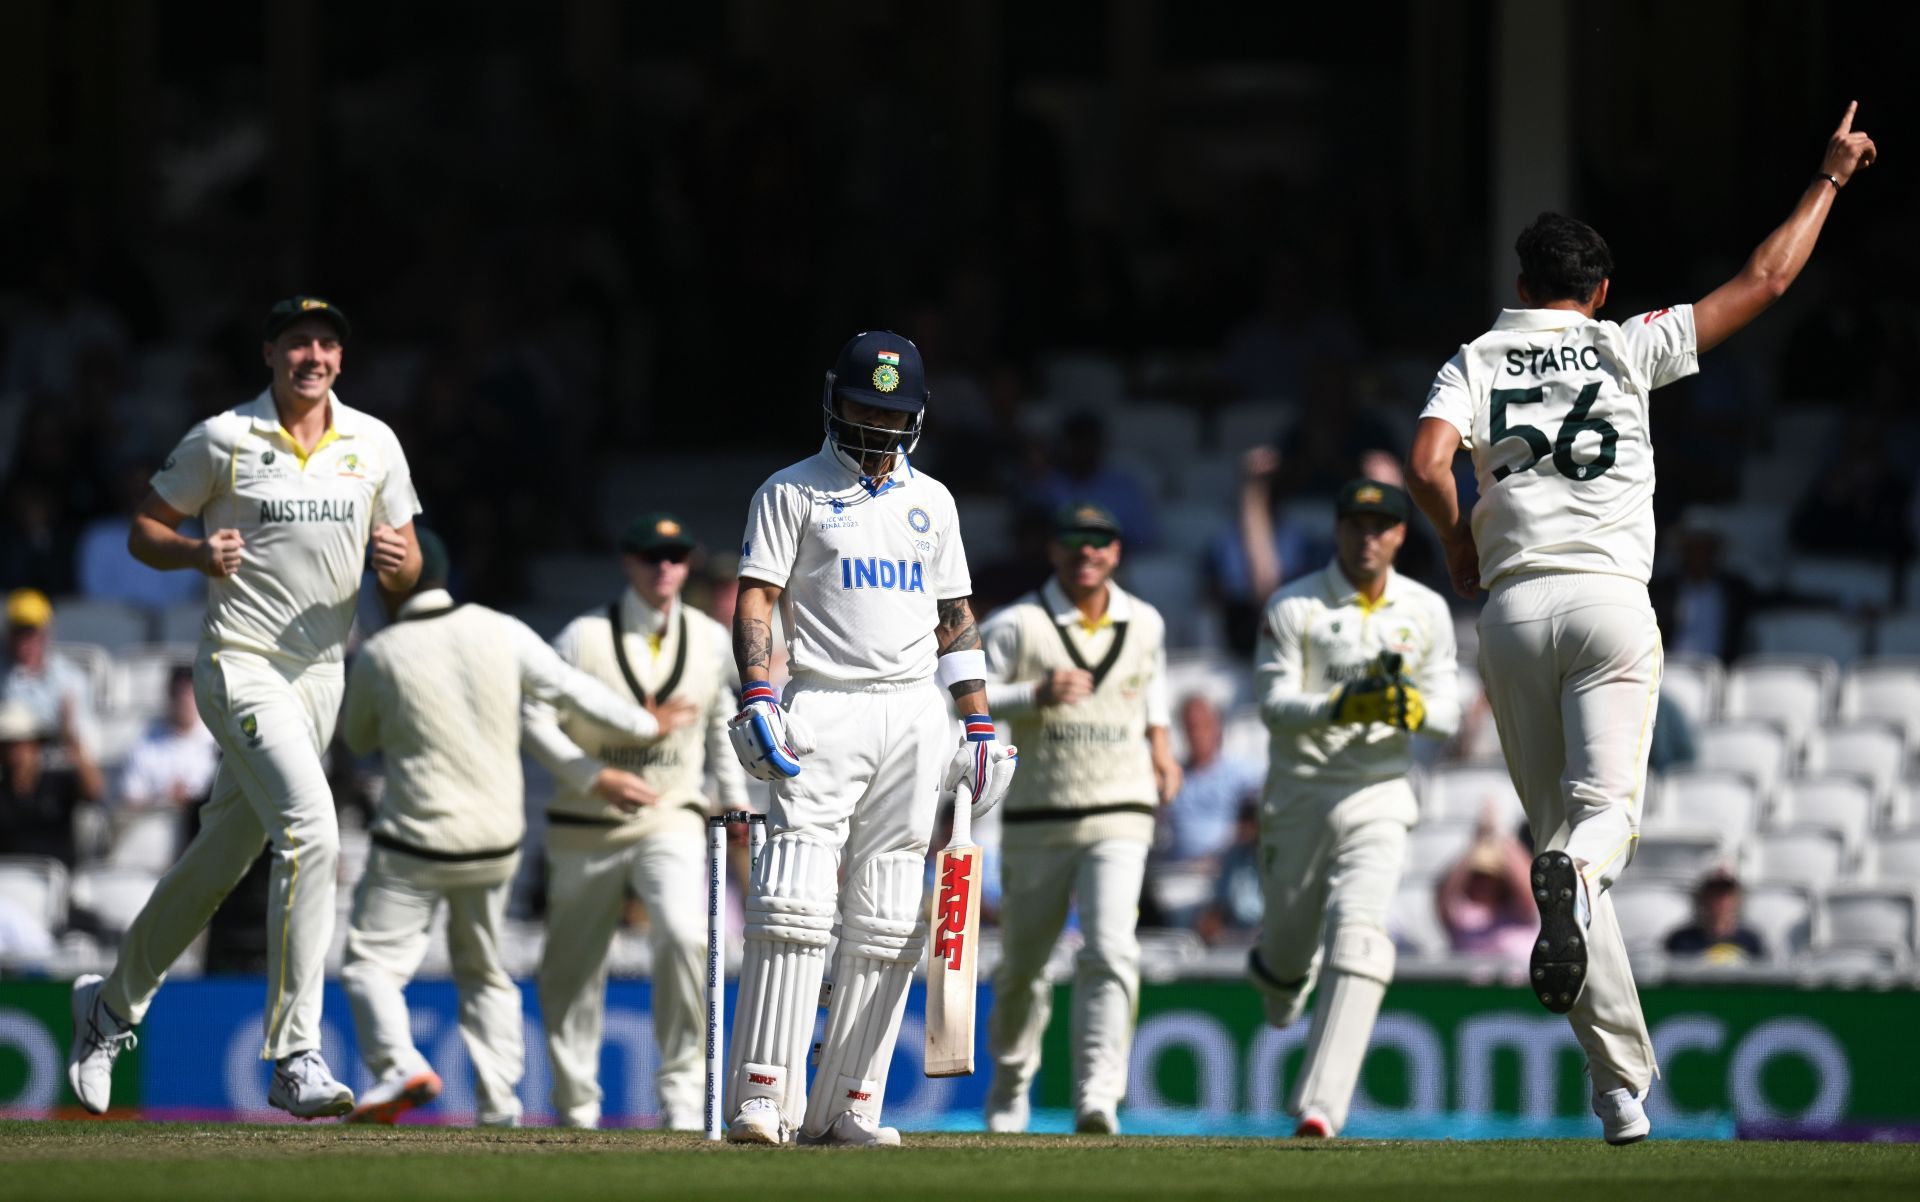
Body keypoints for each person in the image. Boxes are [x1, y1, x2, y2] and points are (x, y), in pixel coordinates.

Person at [1405, 105, 1877, 1145]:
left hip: (1515, 610)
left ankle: (1619, 1089)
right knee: (1596, 824)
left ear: (1521, 287)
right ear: (1599, 292)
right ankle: (1576, 887)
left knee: (1559, 839)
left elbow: (1427, 462)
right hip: (1615, 603)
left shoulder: (1477, 357)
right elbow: (1768, 280)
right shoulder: (1627, 347)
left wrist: (1453, 544)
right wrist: (1831, 179)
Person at [67, 295, 424, 1119]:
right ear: (270, 353)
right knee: (314, 830)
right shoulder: (223, 436)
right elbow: (143, 531)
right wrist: (197, 550)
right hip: (240, 663)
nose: (314, 356)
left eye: (328, 343)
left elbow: (402, 571)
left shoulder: (374, 443)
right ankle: (296, 1054)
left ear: (342, 357)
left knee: (218, 864)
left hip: (321, 675)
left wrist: (399, 564)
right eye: (298, 342)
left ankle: (110, 1006)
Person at [723, 330, 1016, 1146]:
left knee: (889, 916)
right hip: (823, 703)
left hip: (912, 713)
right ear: (830, 400)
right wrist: (757, 694)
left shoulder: (936, 504)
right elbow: (756, 599)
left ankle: (851, 1104)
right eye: (860, 407)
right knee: (792, 902)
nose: (874, 426)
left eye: (891, 413)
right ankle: (762, 1097)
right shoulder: (791, 491)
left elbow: (954, 620)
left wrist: (979, 723)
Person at [337, 529, 667, 1127]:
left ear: (388, 587)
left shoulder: (381, 654)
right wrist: (643, 727)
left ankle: (397, 1063)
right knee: (484, 970)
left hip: (414, 840)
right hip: (495, 843)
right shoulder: (502, 629)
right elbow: (573, 689)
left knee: (371, 964)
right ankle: (500, 1105)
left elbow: (358, 741)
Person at [1247, 478, 1459, 1138]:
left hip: (1378, 792)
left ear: (1400, 535)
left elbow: (1449, 713)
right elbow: (1273, 705)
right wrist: (1343, 706)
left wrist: (1414, 709)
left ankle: (1321, 1105)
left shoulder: (1425, 610)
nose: (1368, 538)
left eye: (1382, 527)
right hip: (1300, 794)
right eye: (1356, 525)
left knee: (1361, 930)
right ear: (1338, 529)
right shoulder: (1294, 604)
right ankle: (1280, 977)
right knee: (1287, 955)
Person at [522, 512, 743, 1131]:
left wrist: (729, 794)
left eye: (675, 557)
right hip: (583, 821)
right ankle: (575, 1105)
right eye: (651, 557)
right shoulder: (582, 637)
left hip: (669, 816)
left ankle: (680, 1095)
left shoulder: (706, 637)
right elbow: (532, 717)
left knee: (684, 934)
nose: (665, 568)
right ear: (628, 562)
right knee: (572, 967)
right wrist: (594, 776)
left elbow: (721, 718)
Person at [976, 501, 1181, 1135]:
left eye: (1100, 543)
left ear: (1116, 552)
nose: (1087, 553)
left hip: (1122, 808)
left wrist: (1164, 751)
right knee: (1023, 968)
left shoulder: (1143, 620)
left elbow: (1153, 690)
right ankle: (1011, 1086)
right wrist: (1032, 696)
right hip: (1038, 814)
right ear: (1054, 549)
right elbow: (963, 701)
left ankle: (1098, 1094)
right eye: (1075, 541)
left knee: (1111, 950)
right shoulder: (1017, 625)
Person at [1160, 694, 1265, 866]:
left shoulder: (1242, 773)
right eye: (1191, 727)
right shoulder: (1172, 776)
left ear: (1217, 727)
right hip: (1174, 874)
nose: (1197, 734)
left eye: (1204, 726)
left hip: (1227, 871)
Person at [0, 697, 104, 866]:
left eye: (20, 743)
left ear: (35, 745)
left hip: (56, 881)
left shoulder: (57, 782)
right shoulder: (2, 790)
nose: (14, 752)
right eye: (7, 744)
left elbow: (93, 791)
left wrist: (72, 743)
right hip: (8, 883)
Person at [2, 589, 100, 757]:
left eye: (30, 632)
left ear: (45, 634)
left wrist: (66, 727)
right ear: (8, 635)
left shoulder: (70, 679)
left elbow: (83, 743)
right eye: (18, 632)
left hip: (55, 757)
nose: (24, 641)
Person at [1435, 811, 1538, 964]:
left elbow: (1528, 889)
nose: (1483, 883)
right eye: (1477, 876)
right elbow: (1445, 897)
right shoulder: (1462, 916)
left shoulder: (1519, 912)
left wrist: (1502, 837)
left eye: (1490, 877)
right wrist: (1475, 844)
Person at [116, 665, 219, 812]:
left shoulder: (218, 741)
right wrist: (165, 799)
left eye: (190, 693)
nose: (184, 701)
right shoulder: (143, 744)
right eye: (179, 693)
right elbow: (130, 800)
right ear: (169, 695)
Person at [1662, 867, 1766, 965]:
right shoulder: (1680, 941)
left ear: (1737, 900)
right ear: (1702, 899)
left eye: (1726, 896)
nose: (1721, 902)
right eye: (1714, 895)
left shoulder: (1750, 941)